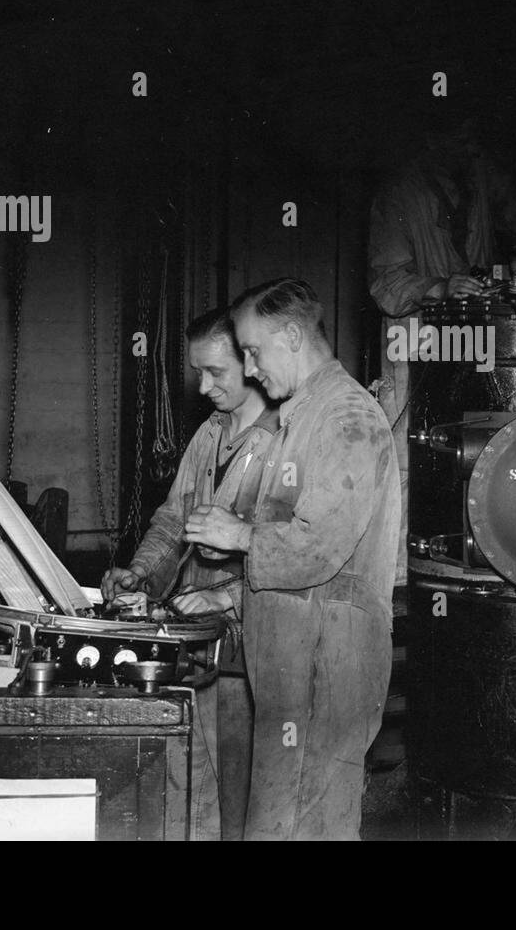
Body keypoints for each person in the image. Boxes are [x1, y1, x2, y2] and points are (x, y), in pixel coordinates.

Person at [180, 278, 400, 840]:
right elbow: (290, 542)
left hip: (329, 666)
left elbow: (319, 548)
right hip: (292, 664)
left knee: (309, 827)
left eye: (253, 351)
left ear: (294, 335)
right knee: (279, 824)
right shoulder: (299, 418)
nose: (250, 369)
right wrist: (230, 577)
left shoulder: (346, 418)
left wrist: (241, 537)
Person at [100, 307, 278, 841]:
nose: (202, 386)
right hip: (193, 643)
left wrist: (226, 597)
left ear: (251, 361)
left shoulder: (287, 443)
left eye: (214, 372)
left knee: (242, 792)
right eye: (197, 371)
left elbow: (304, 554)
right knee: (190, 779)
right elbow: (173, 519)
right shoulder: (210, 433)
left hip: (251, 650)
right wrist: (139, 571)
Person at [367, 121, 516, 581]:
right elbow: (385, 285)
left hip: (476, 334)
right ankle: (389, 578)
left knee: (476, 444)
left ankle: (466, 567)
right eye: (461, 142)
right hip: (415, 338)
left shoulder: (482, 175)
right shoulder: (399, 193)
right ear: (432, 139)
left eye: (475, 142)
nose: (472, 152)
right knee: (405, 450)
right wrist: (440, 286)